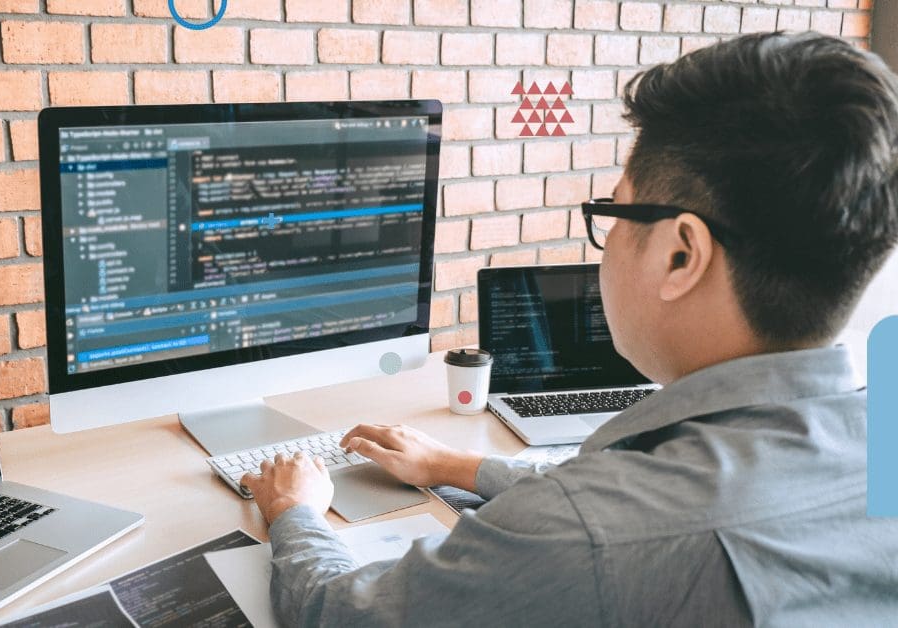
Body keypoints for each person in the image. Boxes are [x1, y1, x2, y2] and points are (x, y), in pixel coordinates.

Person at [240, 31, 898, 626]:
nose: (606, 239)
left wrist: (294, 511)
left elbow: (339, 613)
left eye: (614, 211)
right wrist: (458, 466)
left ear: (681, 255)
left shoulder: (581, 536)